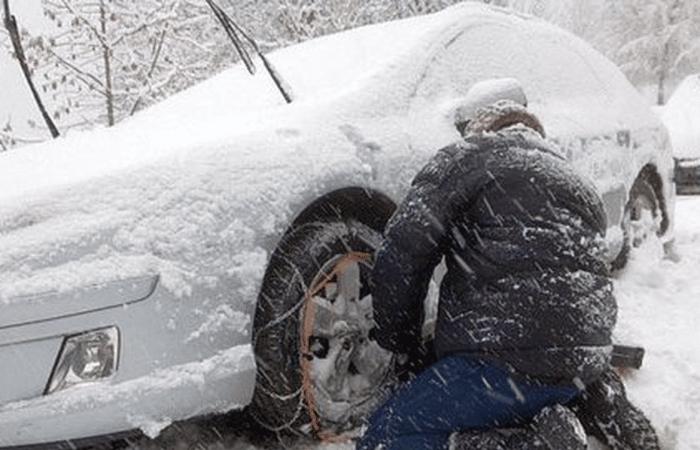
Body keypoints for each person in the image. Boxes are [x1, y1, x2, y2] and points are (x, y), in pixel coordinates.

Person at [357, 100, 659, 450]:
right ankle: (588, 402)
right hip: (583, 360)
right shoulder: (579, 183)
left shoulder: (467, 156)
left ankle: (528, 443)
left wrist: (400, 341)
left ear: (485, 130)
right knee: (539, 381)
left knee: (384, 436)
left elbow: (404, 252)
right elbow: (577, 280)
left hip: (499, 361)